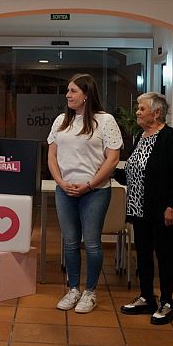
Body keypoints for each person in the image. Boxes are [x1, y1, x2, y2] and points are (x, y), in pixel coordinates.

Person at [47, 73, 122, 314]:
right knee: (69, 243)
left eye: (73, 91)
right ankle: (73, 289)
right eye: (67, 91)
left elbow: (113, 159)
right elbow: (51, 155)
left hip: (96, 192)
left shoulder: (106, 120)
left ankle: (90, 292)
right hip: (65, 190)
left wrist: (89, 185)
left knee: (91, 243)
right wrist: (60, 181)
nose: (67, 95)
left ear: (86, 94)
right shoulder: (61, 120)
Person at [116, 92, 173, 325]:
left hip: (161, 210)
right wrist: (108, 171)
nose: (137, 112)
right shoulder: (139, 136)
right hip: (138, 209)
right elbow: (132, 174)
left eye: (141, 108)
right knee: (143, 255)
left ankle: (167, 302)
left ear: (157, 112)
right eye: (138, 108)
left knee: (165, 255)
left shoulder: (169, 137)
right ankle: (147, 297)